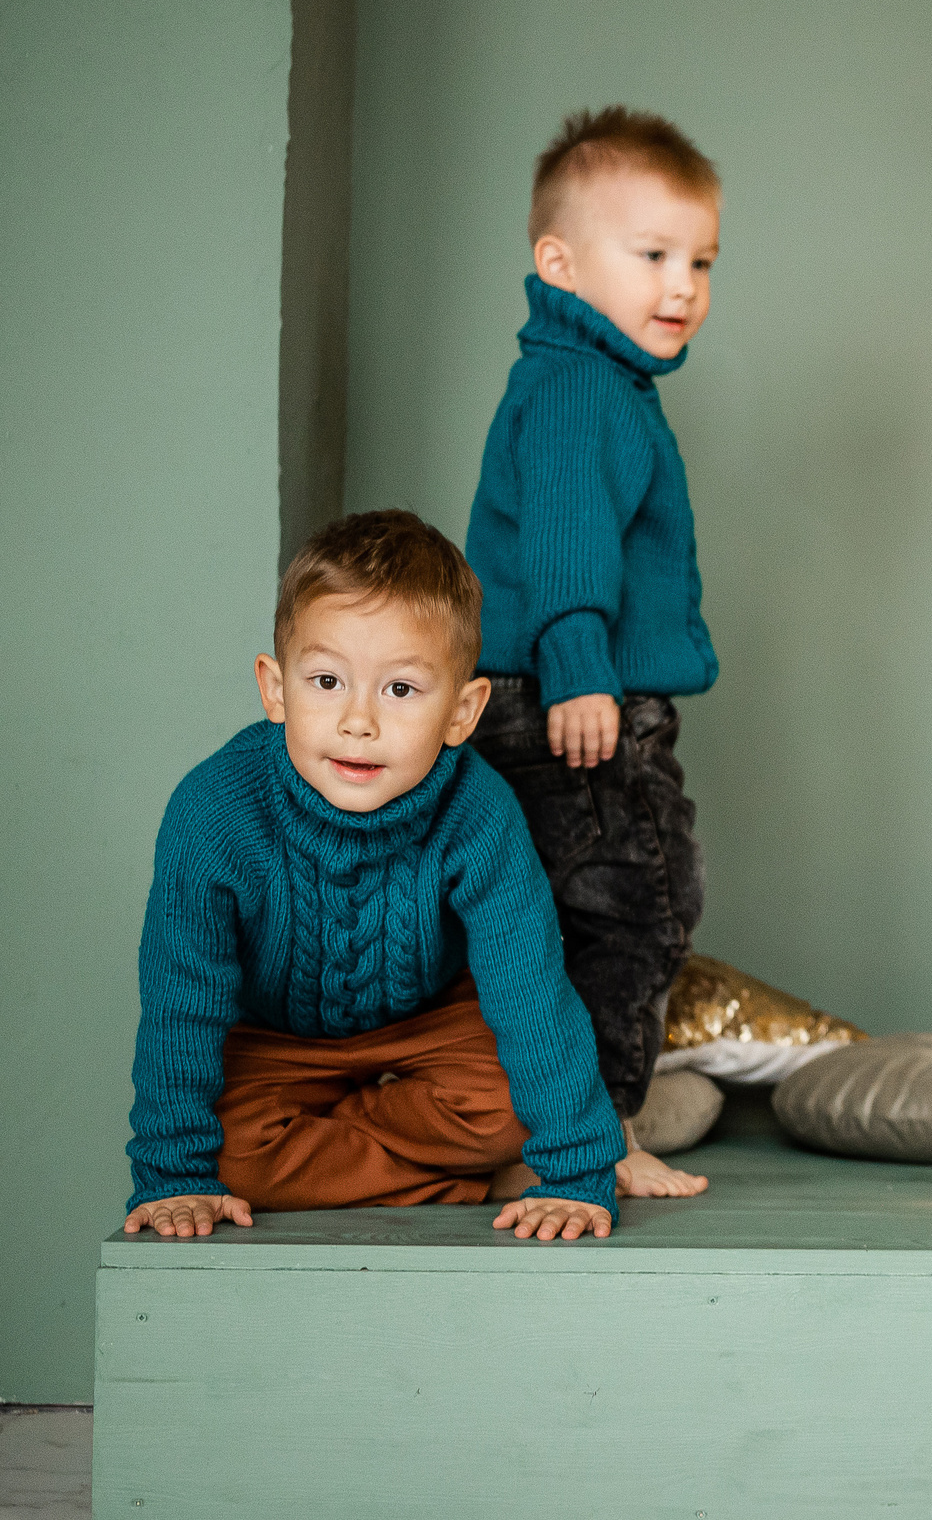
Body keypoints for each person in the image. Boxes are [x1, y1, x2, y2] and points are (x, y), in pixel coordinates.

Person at [123, 511, 622, 1241]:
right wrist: (172, 1178)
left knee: (518, 1107)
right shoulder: (212, 814)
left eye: (400, 690)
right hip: (275, 1037)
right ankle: (464, 1179)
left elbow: (530, 991)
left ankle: (399, 1147)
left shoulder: (479, 813)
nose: (358, 719)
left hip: (427, 1021)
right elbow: (181, 1003)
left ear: (461, 711)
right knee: (226, 1159)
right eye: (327, 680)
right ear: (274, 689)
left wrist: (579, 1173)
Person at [464, 106, 724, 1199]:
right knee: (636, 905)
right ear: (559, 263)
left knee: (563, 913)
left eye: (701, 260)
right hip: (578, 694)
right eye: (653, 254)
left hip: (543, 692)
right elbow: (568, 535)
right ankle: (599, 1132)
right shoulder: (580, 389)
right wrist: (581, 666)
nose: (683, 286)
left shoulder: (586, 378)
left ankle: (554, 1123)